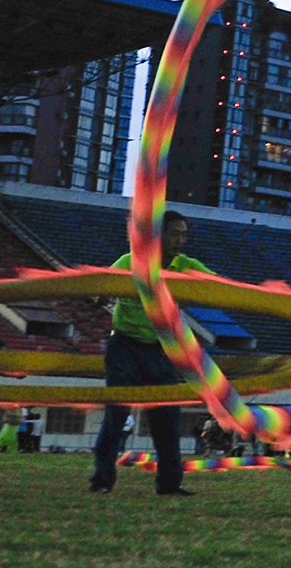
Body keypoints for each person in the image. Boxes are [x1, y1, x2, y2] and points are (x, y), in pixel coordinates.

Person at [91, 209, 212, 497]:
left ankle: (170, 483)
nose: (181, 240)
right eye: (175, 234)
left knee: (168, 417)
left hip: (162, 349)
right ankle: (102, 481)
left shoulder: (186, 265)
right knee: (116, 414)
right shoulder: (131, 261)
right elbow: (99, 290)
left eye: (184, 235)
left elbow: (222, 288)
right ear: (158, 236)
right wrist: (102, 293)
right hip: (125, 346)